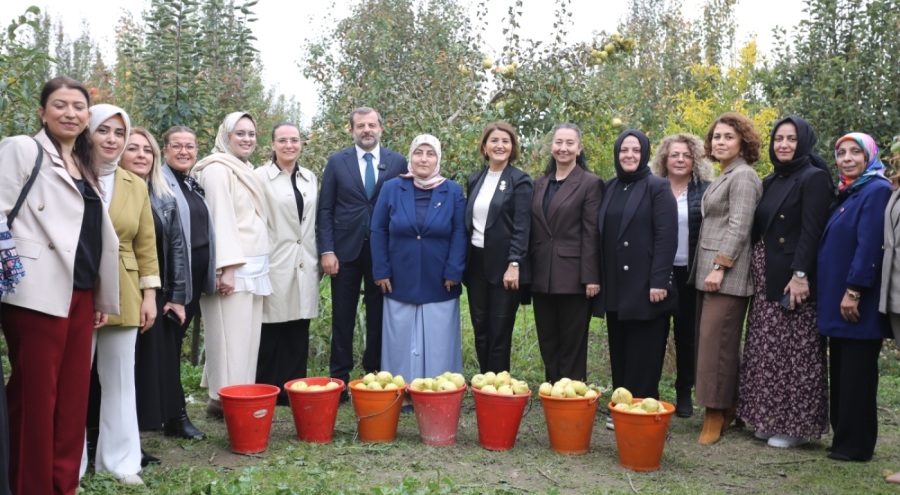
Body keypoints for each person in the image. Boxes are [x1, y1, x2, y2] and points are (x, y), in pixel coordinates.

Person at [0, 76, 119, 495]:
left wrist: (101, 292)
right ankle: (30, 487)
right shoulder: (23, 149)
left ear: (88, 115)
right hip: (35, 293)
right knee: (37, 400)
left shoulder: (86, 164)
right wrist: (14, 271)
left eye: (78, 106)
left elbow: (91, 236)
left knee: (72, 402)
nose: (70, 113)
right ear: (42, 111)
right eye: (60, 105)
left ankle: (63, 486)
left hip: (81, 293)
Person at [737, 116, 834, 448]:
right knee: (767, 351)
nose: (784, 145)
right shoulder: (772, 178)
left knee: (795, 353)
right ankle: (768, 418)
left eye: (791, 139)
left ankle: (795, 427)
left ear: (803, 142)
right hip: (766, 274)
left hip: (793, 278)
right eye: (779, 139)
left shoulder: (814, 178)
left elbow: (811, 232)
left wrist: (800, 275)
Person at [83, 104, 160, 486]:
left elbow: (146, 244)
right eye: (104, 131)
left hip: (125, 289)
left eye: (119, 132)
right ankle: (71, 464)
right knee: (74, 381)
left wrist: (150, 295)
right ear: (88, 133)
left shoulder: (136, 184)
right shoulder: (69, 173)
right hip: (77, 288)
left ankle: (121, 462)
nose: (112, 139)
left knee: (119, 379)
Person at [316, 107, 408, 395]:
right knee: (342, 315)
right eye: (360, 126)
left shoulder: (398, 161)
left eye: (371, 125)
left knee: (379, 314)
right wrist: (327, 251)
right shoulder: (336, 162)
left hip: (384, 253)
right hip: (345, 252)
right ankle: (339, 379)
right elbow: (325, 209)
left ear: (381, 127)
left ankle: (374, 374)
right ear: (351, 130)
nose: (366, 130)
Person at [596, 129, 677, 430]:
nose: (628, 155)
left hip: (647, 285)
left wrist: (660, 281)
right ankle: (622, 407)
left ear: (644, 153)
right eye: (623, 150)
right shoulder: (609, 187)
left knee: (645, 350)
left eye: (635, 150)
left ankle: (643, 409)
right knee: (621, 349)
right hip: (616, 285)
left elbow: (667, 236)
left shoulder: (657, 186)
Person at [192, 112, 271, 417]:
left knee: (247, 339)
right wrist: (226, 268)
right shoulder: (216, 169)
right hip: (233, 267)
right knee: (228, 336)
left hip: (254, 266)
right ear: (226, 136)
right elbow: (219, 220)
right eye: (240, 134)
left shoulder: (242, 167)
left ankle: (236, 395)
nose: (247, 139)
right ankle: (226, 399)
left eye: (251, 134)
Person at [119, 127, 190, 466]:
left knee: (146, 370)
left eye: (147, 151)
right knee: (121, 368)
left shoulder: (163, 196)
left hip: (154, 293)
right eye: (133, 149)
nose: (141, 156)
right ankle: (108, 439)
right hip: (120, 289)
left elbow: (176, 249)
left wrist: (176, 297)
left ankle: (134, 440)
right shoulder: (111, 192)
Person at [370, 134, 467, 380]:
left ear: (438, 158)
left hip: (440, 276)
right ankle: (400, 389)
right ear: (410, 157)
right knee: (400, 337)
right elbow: (378, 229)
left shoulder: (452, 191)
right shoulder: (392, 188)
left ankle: (438, 389)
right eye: (418, 153)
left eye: (430, 153)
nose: (423, 159)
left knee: (439, 338)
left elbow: (459, 231)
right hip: (399, 274)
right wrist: (381, 270)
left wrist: (454, 271)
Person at [819, 132, 891, 462]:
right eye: (841, 153)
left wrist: (854, 291)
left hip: (855, 301)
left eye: (854, 152)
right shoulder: (850, 192)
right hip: (839, 301)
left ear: (869, 156)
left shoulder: (875, 190)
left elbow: (868, 246)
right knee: (844, 374)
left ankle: (857, 445)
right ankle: (843, 440)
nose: (847, 158)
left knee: (858, 376)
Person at [692, 112, 762, 445]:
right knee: (714, 344)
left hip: (727, 276)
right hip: (710, 272)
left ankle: (714, 413)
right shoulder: (727, 173)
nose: (720, 142)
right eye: (716, 136)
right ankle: (728, 404)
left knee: (715, 346)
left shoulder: (744, 176)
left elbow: (739, 225)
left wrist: (720, 266)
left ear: (743, 143)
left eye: (728, 137)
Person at [530, 123, 603, 384]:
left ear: (579, 148)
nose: (563, 148)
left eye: (569, 143)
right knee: (548, 339)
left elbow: (591, 232)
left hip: (573, 276)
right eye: (559, 142)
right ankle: (551, 388)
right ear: (552, 147)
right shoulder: (539, 184)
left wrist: (591, 276)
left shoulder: (590, 183)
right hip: (542, 275)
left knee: (572, 342)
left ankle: (571, 393)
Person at [253, 123, 319, 404]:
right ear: (272, 145)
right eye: (283, 140)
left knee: (298, 325)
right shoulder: (259, 177)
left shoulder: (310, 177)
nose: (289, 145)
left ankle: (293, 388)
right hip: (275, 258)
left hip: (306, 260)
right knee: (271, 325)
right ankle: (268, 387)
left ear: (301, 143)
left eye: (294, 139)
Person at [157, 126, 216, 438]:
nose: (184, 151)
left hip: (193, 278)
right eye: (176, 146)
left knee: (172, 345)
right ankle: (175, 416)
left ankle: (167, 411)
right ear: (165, 150)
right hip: (174, 280)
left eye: (190, 146)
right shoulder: (160, 183)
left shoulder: (191, 183)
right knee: (168, 347)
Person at [649, 133, 713, 418]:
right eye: (674, 154)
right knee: (655, 334)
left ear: (695, 160)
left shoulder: (705, 191)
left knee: (688, 336)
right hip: (658, 272)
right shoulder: (653, 188)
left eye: (686, 155)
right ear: (664, 158)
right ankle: (649, 391)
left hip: (691, 272)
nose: (680, 160)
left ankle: (684, 392)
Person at [464, 122, 533, 374]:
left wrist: (514, 263)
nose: (499, 145)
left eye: (505, 141)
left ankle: (498, 389)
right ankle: (484, 386)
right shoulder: (475, 178)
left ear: (512, 147)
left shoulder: (520, 180)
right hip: (476, 265)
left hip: (505, 267)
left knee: (499, 333)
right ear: (484, 146)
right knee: (480, 330)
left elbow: (522, 226)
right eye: (494, 140)